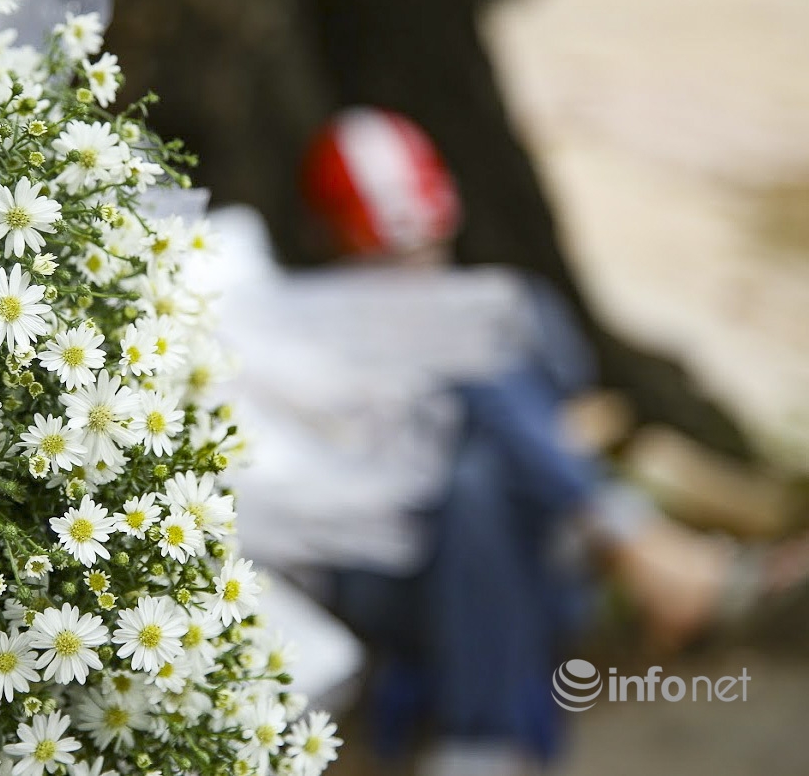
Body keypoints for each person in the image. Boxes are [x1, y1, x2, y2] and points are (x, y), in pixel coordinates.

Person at [217, 108, 806, 776]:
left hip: (524, 559)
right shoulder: (314, 335)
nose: (415, 282)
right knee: (473, 418)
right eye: (386, 262)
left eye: (423, 253)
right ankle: (646, 551)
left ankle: (489, 736)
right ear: (329, 245)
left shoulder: (511, 309)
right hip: (386, 582)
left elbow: (579, 419)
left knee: (481, 463)